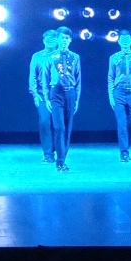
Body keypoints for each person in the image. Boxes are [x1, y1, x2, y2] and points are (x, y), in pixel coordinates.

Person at [43, 26, 81, 172]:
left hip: (70, 92)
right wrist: (46, 98)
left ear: (70, 40)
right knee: (59, 127)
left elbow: (78, 79)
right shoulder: (50, 57)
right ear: (57, 39)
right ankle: (59, 161)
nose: (64, 40)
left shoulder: (75, 57)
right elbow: (45, 78)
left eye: (66, 38)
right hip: (56, 93)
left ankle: (63, 159)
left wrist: (77, 99)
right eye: (61, 38)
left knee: (67, 127)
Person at [107, 30, 131, 162]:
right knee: (121, 123)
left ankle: (127, 147)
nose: (125, 42)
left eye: (127, 39)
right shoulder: (114, 58)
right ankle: (124, 152)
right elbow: (111, 78)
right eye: (123, 40)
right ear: (119, 42)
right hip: (119, 92)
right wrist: (111, 96)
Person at [29, 29, 59, 163]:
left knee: (59, 124)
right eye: (48, 38)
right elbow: (32, 76)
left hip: (59, 94)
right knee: (45, 122)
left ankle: (58, 150)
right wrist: (34, 94)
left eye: (53, 38)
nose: (50, 40)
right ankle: (48, 153)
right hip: (42, 95)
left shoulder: (61, 55)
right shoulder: (37, 56)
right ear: (43, 40)